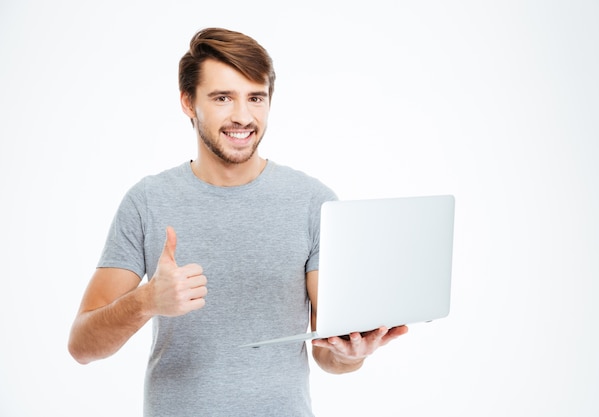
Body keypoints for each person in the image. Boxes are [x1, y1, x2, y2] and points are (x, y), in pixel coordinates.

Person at [68, 27, 408, 416]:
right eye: (222, 98)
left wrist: (352, 355)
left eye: (255, 98)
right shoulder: (147, 202)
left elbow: (326, 353)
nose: (243, 116)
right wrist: (145, 301)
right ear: (187, 102)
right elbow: (81, 346)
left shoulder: (314, 202)